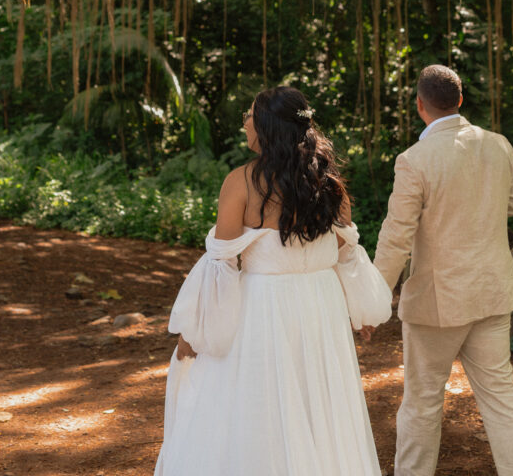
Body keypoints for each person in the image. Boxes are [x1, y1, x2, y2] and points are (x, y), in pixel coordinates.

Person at [154, 85, 392, 476]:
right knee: (319, 407)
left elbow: (222, 266)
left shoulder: (242, 182)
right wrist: (361, 307)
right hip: (321, 309)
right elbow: (347, 251)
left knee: (257, 407)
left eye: (248, 115)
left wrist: (194, 332)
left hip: (264, 311)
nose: (244, 122)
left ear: (265, 127)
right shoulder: (329, 182)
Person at [372, 64, 513, 476]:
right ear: (460, 100)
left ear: (419, 105)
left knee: (422, 402)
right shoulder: (498, 144)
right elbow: (511, 207)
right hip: (491, 293)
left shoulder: (415, 159)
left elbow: (396, 236)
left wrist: (373, 300)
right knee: (502, 396)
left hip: (438, 302)